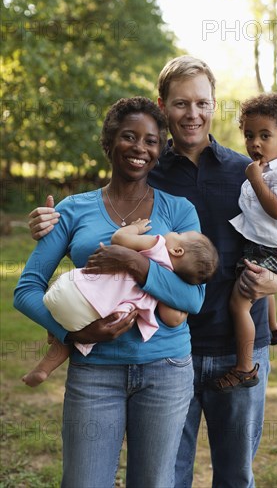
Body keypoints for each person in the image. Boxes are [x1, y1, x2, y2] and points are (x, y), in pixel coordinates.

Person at [28, 57, 277, 488]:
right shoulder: (147, 167)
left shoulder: (245, 173)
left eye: (202, 103)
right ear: (162, 105)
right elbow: (98, 214)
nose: (193, 114)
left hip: (239, 344)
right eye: (181, 103)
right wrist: (47, 222)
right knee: (167, 476)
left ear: (213, 105)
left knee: (236, 475)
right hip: (170, 349)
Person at [15, 96, 209, 488]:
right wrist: (74, 334)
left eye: (151, 141)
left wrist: (133, 261)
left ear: (160, 150)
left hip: (166, 370)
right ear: (109, 143)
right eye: (129, 137)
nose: (140, 148)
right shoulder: (73, 209)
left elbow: (193, 300)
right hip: (94, 371)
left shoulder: (179, 211)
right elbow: (27, 289)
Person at [22, 219, 218, 387]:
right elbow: (172, 319)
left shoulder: (158, 246)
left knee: (65, 310)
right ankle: (43, 369)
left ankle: (53, 329)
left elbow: (119, 238)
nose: (174, 231)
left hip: (77, 291)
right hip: (103, 314)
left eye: (180, 233)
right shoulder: (167, 282)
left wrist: (136, 228)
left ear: (177, 250)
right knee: (75, 336)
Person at [213, 92, 277, 391]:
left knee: (239, 303)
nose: (255, 143)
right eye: (249, 135)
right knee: (263, 288)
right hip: (267, 246)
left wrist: (256, 180)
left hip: (276, 251)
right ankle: (273, 327)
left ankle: (244, 368)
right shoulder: (269, 168)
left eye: (264, 135)